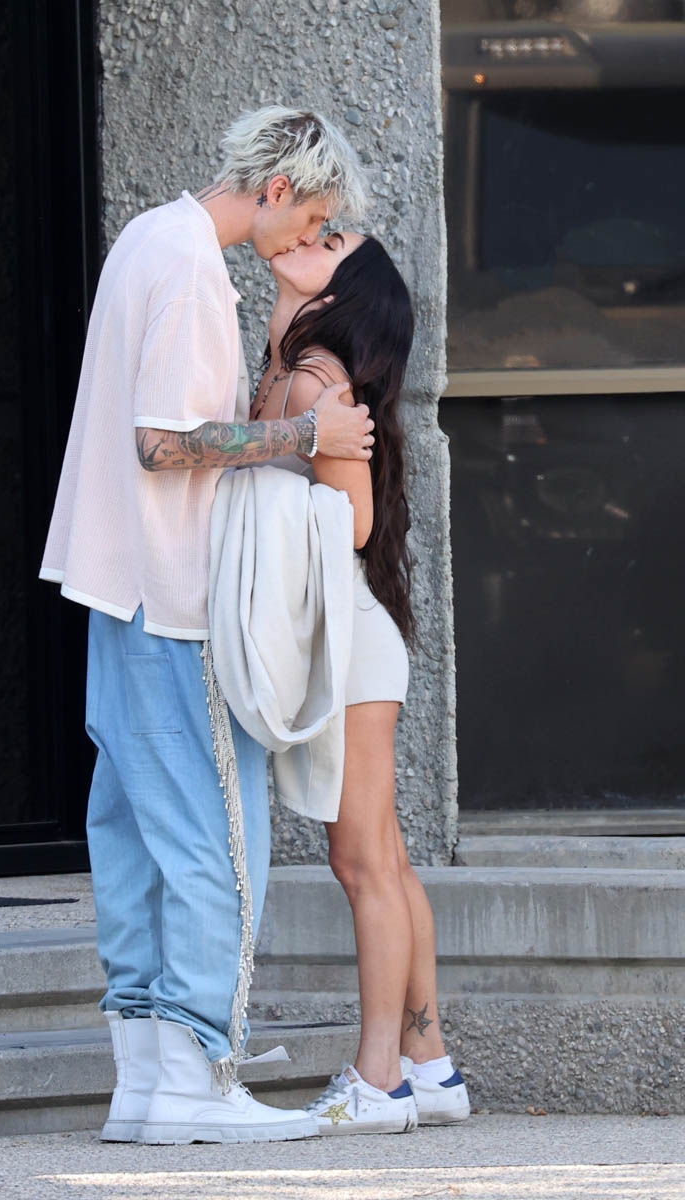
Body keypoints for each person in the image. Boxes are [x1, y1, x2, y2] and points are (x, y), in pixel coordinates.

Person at [39, 107, 374, 1146]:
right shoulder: (190, 267)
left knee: (136, 840)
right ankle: (199, 1077)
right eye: (310, 218)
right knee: (217, 844)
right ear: (276, 188)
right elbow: (163, 442)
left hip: (116, 586)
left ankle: (147, 1083)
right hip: (175, 596)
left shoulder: (149, 236)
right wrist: (306, 430)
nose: (306, 239)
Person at [252, 230, 470, 1134]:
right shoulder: (293, 368)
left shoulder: (319, 383)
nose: (307, 234)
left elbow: (353, 521)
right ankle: (431, 1064)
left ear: (343, 291)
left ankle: (376, 1078)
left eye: (329, 239)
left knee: (363, 863)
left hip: (347, 642)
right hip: (344, 637)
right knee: (385, 859)